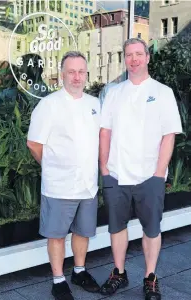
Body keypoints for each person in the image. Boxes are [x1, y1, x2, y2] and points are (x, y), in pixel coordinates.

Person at [99, 38, 182, 300]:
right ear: (125, 60)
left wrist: (159, 174)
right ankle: (119, 273)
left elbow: (169, 135)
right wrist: (104, 168)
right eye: (128, 55)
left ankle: (150, 278)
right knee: (116, 228)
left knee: (152, 229)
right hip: (117, 173)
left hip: (150, 176)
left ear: (147, 57)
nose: (133, 59)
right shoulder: (114, 93)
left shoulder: (162, 92)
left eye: (138, 54)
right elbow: (105, 132)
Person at [27, 51, 100, 300]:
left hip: (88, 186)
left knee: (83, 231)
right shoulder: (49, 105)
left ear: (86, 74)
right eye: (71, 71)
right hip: (59, 186)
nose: (77, 77)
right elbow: (34, 144)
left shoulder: (94, 104)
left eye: (81, 71)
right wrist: (52, 166)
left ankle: (79, 271)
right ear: (62, 75)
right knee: (57, 235)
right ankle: (58, 279)